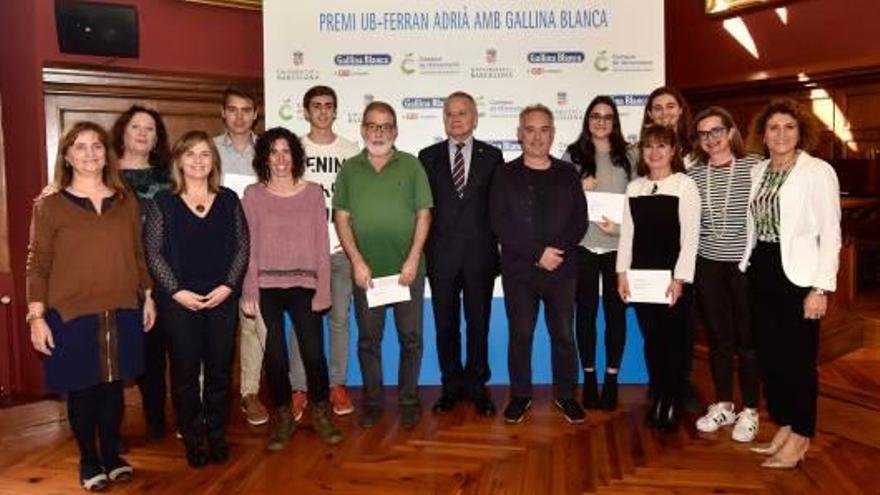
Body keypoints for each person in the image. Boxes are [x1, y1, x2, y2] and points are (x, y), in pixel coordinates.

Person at [27, 122, 155, 491]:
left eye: (96, 146)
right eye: (79, 147)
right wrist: (36, 317)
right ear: (66, 155)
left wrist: (147, 297)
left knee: (113, 390)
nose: (89, 154)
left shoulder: (125, 199)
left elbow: (138, 254)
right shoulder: (49, 205)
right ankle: (89, 459)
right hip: (68, 314)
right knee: (82, 391)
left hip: (122, 309)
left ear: (106, 153)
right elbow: (38, 265)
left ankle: (112, 455)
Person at [742, 98, 841, 469]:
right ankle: (784, 425)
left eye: (789, 127)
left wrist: (820, 288)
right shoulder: (760, 170)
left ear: (801, 132)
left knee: (799, 361)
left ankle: (801, 435)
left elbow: (831, 233)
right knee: (771, 358)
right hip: (763, 268)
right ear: (763, 135)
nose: (781, 134)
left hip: (799, 276)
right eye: (773, 128)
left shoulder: (817, 171)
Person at [144, 131, 249, 468]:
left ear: (213, 162)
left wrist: (229, 286)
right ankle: (193, 437)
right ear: (179, 161)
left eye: (205, 154)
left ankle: (217, 434)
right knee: (186, 374)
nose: (198, 161)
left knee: (219, 370)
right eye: (190, 155)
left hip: (222, 299)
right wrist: (176, 291)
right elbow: (153, 253)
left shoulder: (230, 199)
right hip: (179, 302)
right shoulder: (164, 202)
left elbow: (242, 248)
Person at [240, 127, 343, 451]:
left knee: (314, 355)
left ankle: (321, 411)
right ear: (265, 158)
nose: (281, 159)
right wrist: (249, 291)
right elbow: (248, 246)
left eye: (287, 152)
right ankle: (283, 415)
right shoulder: (253, 195)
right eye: (274, 152)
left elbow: (320, 243)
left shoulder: (313, 193)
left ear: (295, 157)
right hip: (266, 288)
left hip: (304, 286)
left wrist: (323, 290)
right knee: (276, 359)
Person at [333, 101, 433, 429]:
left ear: (395, 131)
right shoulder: (349, 169)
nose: (379, 132)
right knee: (368, 340)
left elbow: (424, 214)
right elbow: (342, 218)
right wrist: (357, 262)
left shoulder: (412, 166)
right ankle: (373, 402)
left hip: (407, 272)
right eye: (372, 126)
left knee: (411, 339)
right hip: (368, 275)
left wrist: (413, 259)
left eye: (386, 126)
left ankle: (408, 400)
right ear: (363, 129)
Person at [490, 104, 588, 425]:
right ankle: (520, 395)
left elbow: (580, 220)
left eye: (543, 129)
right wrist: (537, 253)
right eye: (529, 130)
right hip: (519, 271)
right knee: (521, 335)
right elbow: (499, 223)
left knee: (563, 334)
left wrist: (555, 252)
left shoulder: (567, 173)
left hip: (562, 270)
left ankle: (565, 395)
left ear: (553, 134)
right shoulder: (504, 174)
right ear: (519, 134)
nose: (536, 136)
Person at [418, 91, 503, 417]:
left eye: (463, 113)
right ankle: (451, 385)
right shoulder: (426, 157)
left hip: (480, 257)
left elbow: (499, 208)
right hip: (441, 258)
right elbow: (421, 209)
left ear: (475, 118)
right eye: (450, 113)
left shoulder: (493, 156)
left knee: (479, 324)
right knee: (445, 326)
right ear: (444, 119)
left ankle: (477, 386)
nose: (456, 118)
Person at [617, 124, 700, 433]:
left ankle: (672, 400)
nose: (654, 152)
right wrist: (621, 274)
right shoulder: (635, 187)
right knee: (653, 343)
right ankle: (659, 397)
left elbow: (690, 238)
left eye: (661, 146)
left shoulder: (684, 185)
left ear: (673, 150)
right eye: (649, 146)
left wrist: (680, 279)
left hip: (672, 279)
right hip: (642, 278)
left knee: (675, 342)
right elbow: (628, 236)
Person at [687, 107, 761, 442]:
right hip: (708, 266)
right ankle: (722, 405)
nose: (711, 139)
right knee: (719, 341)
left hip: (745, 267)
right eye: (704, 134)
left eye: (717, 131)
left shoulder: (755, 166)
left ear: (730, 131)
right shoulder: (694, 173)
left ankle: (750, 410)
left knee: (748, 342)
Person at [288, 85, 360, 419]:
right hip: (302, 252)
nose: (322, 111)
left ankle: (337, 385)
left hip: (340, 249)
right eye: (315, 106)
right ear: (306, 111)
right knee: (303, 321)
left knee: (340, 319)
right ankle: (299, 388)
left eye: (328, 106)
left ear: (335, 111)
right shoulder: (293, 150)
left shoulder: (350, 150)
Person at [562, 96, 635, 411]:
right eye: (595, 115)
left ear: (615, 121)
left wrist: (618, 228)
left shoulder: (629, 155)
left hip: (618, 247)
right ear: (587, 119)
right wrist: (579, 190)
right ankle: (589, 376)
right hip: (583, 245)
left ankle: (612, 378)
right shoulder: (573, 155)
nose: (601, 121)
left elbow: (638, 204)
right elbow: (560, 203)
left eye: (607, 116)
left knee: (616, 314)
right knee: (587, 313)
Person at [111, 105, 173, 442]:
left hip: (160, 275)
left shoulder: (168, 177)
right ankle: (112, 426)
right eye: (136, 126)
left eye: (150, 128)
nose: (142, 133)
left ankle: (155, 421)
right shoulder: (103, 174)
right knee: (115, 354)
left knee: (154, 353)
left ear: (156, 138)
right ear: (123, 131)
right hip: (114, 275)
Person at [642, 86, 700, 413]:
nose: (664, 112)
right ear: (650, 114)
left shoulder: (697, 152)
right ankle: (661, 385)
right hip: (651, 256)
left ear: (681, 109)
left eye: (670, 106)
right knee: (655, 328)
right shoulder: (644, 154)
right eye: (657, 108)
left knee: (682, 324)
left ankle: (680, 385)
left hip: (690, 252)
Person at [213, 87, 270, 427]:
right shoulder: (208, 151)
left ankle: (250, 393)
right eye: (232, 110)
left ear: (255, 114)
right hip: (216, 251)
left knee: (253, 325)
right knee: (213, 329)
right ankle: (206, 402)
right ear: (223, 113)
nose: (239, 116)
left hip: (257, 251)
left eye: (245, 110)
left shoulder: (267, 152)